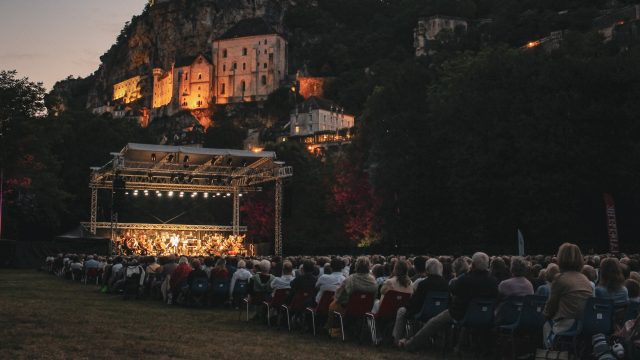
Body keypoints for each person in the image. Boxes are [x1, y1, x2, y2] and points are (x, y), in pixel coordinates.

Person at [398, 252, 498, 352]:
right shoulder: (493, 281)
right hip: (485, 316)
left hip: (460, 313)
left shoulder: (466, 279)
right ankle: (455, 346)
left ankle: (411, 344)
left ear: (474, 265)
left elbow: (453, 289)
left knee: (433, 322)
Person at [542, 243, 593, 349]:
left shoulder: (560, 279)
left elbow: (550, 307)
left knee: (545, 325)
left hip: (567, 325)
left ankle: (550, 354)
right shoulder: (585, 279)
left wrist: (543, 316)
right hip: (584, 324)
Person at [392, 258, 449, 342]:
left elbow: (415, 301)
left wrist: (406, 306)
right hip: (440, 313)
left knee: (401, 311)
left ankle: (396, 339)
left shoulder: (423, 284)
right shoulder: (446, 284)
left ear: (427, 270)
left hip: (423, 312)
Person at [327, 256, 378, 338]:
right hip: (366, 308)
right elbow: (374, 296)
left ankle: (333, 330)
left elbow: (339, 295)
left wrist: (337, 296)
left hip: (349, 307)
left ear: (356, 266)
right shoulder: (373, 280)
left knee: (333, 305)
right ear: (368, 267)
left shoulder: (351, 279)